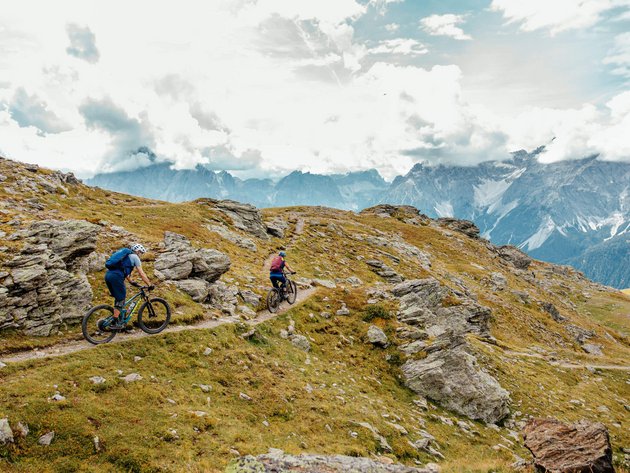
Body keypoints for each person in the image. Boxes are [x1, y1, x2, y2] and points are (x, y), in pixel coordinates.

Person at [104, 243, 153, 330]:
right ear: (138, 251)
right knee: (121, 298)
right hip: (116, 277)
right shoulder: (135, 257)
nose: (141, 255)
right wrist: (149, 284)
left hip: (108, 275)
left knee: (119, 299)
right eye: (141, 253)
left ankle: (118, 318)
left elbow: (122, 270)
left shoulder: (125, 256)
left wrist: (131, 281)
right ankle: (115, 322)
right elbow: (141, 273)